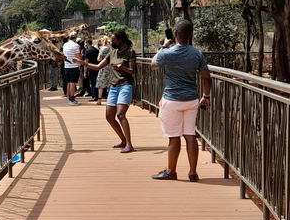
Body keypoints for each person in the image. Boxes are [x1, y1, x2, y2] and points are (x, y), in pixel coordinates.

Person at [150, 19, 212, 182]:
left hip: (172, 100)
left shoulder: (167, 53)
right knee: (190, 134)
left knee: (174, 136)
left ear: (175, 33)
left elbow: (153, 64)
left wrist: (163, 46)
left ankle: (171, 171)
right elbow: (207, 78)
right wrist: (206, 97)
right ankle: (193, 172)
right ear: (190, 34)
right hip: (191, 99)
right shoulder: (197, 54)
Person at [73, 29, 136, 153]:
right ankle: (123, 140)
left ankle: (129, 144)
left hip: (125, 85)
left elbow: (132, 71)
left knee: (121, 114)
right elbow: (97, 67)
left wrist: (122, 67)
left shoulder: (130, 52)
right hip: (113, 86)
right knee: (109, 116)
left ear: (120, 40)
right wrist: (83, 63)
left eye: (114, 40)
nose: (112, 42)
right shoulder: (111, 53)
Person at [62, 31, 82, 105]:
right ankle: (72, 99)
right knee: (73, 84)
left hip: (66, 66)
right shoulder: (75, 45)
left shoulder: (65, 45)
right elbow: (78, 57)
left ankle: (69, 98)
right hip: (73, 66)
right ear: (75, 37)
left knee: (69, 83)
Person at [95, 36, 111, 105]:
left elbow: (99, 59)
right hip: (110, 67)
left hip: (103, 66)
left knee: (100, 83)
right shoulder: (110, 48)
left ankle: (99, 99)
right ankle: (110, 99)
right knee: (110, 83)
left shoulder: (103, 49)